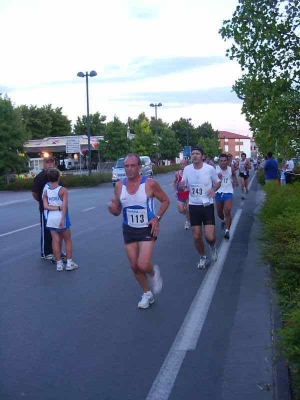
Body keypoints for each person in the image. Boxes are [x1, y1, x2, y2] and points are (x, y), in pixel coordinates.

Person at [108, 154, 169, 309]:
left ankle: (153, 272)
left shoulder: (150, 184)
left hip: (147, 228)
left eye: (132, 166)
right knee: (134, 266)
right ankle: (147, 294)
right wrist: (112, 209)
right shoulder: (119, 186)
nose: (129, 169)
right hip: (129, 229)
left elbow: (166, 200)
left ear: (139, 167)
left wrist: (157, 217)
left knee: (142, 264)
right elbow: (117, 210)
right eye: (126, 166)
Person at [180, 146, 221, 269]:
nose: (194, 156)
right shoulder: (187, 169)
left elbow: (217, 182)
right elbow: (184, 185)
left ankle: (212, 247)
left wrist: (214, 189)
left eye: (197, 153)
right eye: (193, 154)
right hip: (194, 205)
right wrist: (182, 187)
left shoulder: (209, 169)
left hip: (207, 205)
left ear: (202, 156)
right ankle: (203, 257)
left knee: (210, 237)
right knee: (197, 236)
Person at [42, 168, 78, 272]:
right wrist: (62, 218)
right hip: (61, 217)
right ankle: (69, 263)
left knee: (55, 241)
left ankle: (59, 264)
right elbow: (64, 206)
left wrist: (55, 208)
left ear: (48, 179)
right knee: (67, 240)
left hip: (51, 218)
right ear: (58, 177)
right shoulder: (63, 190)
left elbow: (45, 206)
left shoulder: (46, 191)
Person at [32, 155, 56, 259]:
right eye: (48, 162)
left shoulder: (56, 176)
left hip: (55, 209)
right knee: (46, 230)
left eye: (52, 162)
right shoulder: (40, 177)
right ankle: (45, 252)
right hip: (45, 209)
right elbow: (35, 193)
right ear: (44, 164)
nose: (50, 164)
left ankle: (54, 250)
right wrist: (42, 202)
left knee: (55, 231)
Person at [215, 154, 239, 240]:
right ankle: (224, 220)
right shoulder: (215, 170)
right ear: (219, 161)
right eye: (221, 161)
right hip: (218, 192)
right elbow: (210, 180)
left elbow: (233, 175)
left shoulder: (230, 169)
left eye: (225, 160)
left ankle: (227, 231)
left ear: (227, 161)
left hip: (228, 192)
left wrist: (236, 182)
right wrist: (216, 178)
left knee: (228, 210)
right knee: (219, 213)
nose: (223, 162)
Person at [173, 159, 190, 229]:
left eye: (184, 164)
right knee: (181, 210)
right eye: (181, 164)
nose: (182, 165)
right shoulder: (177, 173)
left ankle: (187, 222)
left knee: (189, 209)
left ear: (187, 165)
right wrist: (175, 190)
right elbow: (174, 182)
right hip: (181, 193)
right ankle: (187, 213)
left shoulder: (190, 172)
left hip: (189, 193)